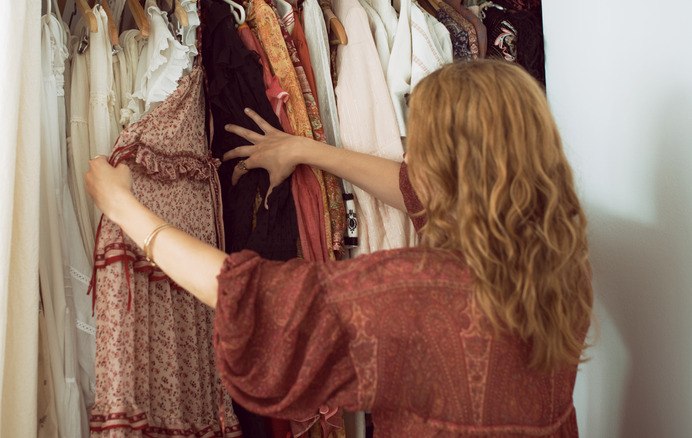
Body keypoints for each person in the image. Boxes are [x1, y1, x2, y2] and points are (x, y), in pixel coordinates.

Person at [85, 59, 592, 437]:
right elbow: (415, 185)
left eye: (418, 145)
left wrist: (125, 208)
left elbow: (252, 296)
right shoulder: (560, 260)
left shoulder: (416, 292)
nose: (409, 155)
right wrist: (306, 149)